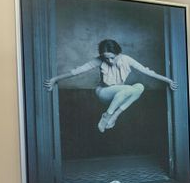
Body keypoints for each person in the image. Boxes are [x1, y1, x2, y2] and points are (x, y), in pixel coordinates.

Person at [44, 39, 178, 133]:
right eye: (106, 58)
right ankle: (107, 115)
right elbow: (77, 70)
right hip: (104, 92)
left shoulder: (127, 59)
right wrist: (55, 79)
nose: (109, 61)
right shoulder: (99, 60)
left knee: (140, 87)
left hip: (120, 94)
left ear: (119, 53)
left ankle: (114, 116)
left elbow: (148, 71)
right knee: (128, 89)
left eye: (112, 57)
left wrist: (168, 80)